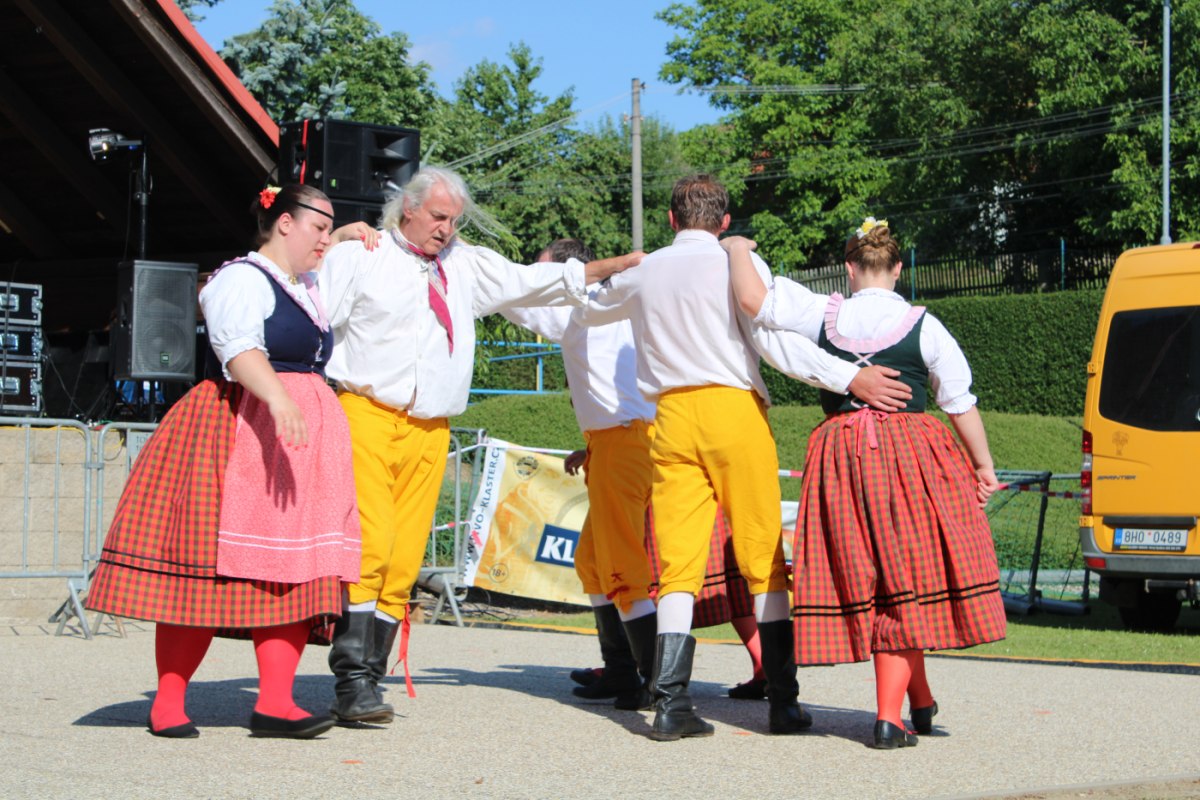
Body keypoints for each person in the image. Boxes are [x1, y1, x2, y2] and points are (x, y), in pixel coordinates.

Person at [577, 174, 913, 741]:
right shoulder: (737, 262)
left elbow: (587, 310)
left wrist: (612, 270)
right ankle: (783, 702)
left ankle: (671, 703)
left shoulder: (645, 271)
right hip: (733, 410)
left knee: (678, 565)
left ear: (671, 219)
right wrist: (849, 376)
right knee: (762, 556)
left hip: (670, 417)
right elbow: (775, 341)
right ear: (725, 222)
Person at [317, 167, 642, 725]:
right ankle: (350, 679)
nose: (446, 229)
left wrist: (613, 266)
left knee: (404, 556)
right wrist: (335, 238)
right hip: (365, 413)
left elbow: (531, 282)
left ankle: (369, 677)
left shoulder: (464, 264)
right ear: (408, 209)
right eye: (438, 217)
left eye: (454, 220)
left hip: (430, 425)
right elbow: (308, 304)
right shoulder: (362, 256)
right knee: (371, 546)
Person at [85, 184, 369, 739]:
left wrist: (340, 235)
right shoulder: (240, 279)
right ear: (284, 223)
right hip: (236, 428)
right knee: (203, 570)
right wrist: (280, 399)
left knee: (295, 570)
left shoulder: (303, 285)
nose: (324, 241)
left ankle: (276, 703)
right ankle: (168, 702)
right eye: (317, 228)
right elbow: (238, 350)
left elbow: (323, 255)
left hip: (295, 444)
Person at [721, 217, 1007, 749]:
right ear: (897, 269)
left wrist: (737, 247)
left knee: (878, 576)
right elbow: (958, 402)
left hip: (841, 455)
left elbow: (752, 299)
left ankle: (921, 700)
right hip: (911, 454)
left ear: (849, 269)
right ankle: (888, 719)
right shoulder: (925, 324)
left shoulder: (823, 312)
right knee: (905, 579)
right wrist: (983, 465)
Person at [502, 237, 659, 710]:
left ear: (570, 272)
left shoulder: (581, 305)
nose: (542, 281)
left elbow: (515, 296)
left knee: (621, 565)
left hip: (623, 442)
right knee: (592, 561)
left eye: (546, 272)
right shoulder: (619, 304)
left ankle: (656, 682)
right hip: (617, 440)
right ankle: (621, 671)